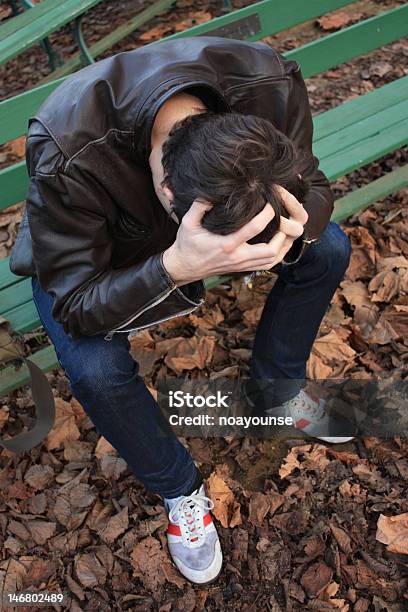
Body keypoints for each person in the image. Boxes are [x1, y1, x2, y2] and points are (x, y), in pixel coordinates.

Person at [9, 36, 354, 585]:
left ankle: (276, 391)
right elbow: (75, 303)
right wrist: (174, 266)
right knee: (95, 368)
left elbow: (311, 183)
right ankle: (179, 488)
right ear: (169, 193)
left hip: (193, 221)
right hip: (90, 251)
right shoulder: (67, 145)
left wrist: (295, 227)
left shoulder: (266, 82)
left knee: (329, 247)